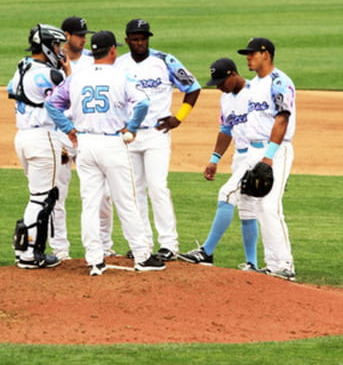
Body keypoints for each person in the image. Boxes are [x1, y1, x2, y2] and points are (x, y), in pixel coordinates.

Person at [46, 31, 166, 276]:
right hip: (112, 144)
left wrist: (68, 128)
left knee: (90, 203)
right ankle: (142, 256)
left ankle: (94, 260)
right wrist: (132, 127)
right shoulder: (121, 75)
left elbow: (52, 104)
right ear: (112, 50)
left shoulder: (77, 77)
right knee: (126, 201)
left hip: (85, 145)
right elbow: (143, 103)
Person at [180, 38, 298, 281]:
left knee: (269, 207)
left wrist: (268, 158)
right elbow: (231, 127)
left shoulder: (279, 81)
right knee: (260, 208)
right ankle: (273, 264)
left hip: (274, 151)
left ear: (266, 55)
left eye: (252, 54)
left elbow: (282, 119)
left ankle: (285, 264)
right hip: (253, 152)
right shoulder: (255, 86)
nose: (248, 58)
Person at [116, 19, 201, 262]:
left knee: (157, 187)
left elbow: (193, 88)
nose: (140, 43)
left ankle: (169, 244)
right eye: (135, 39)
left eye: (143, 38)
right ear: (127, 40)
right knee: (135, 191)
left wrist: (179, 118)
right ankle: (142, 243)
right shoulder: (119, 64)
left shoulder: (165, 60)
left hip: (156, 133)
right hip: (129, 135)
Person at [177, 58, 262, 272]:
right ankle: (252, 264)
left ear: (233, 74)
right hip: (240, 157)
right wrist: (214, 159)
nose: (219, 87)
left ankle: (206, 251)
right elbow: (226, 130)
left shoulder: (254, 93)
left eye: (222, 82)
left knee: (226, 194)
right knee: (247, 210)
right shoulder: (226, 99)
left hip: (256, 155)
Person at [6, 24, 70, 269]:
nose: (60, 50)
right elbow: (70, 97)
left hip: (23, 137)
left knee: (38, 196)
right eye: (56, 45)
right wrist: (68, 72)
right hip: (43, 138)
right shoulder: (49, 74)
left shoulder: (22, 67)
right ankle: (31, 254)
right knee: (43, 198)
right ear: (46, 46)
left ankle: (25, 250)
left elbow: (10, 90)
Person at [55, 16, 117, 260]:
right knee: (57, 194)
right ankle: (60, 250)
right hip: (62, 134)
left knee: (103, 196)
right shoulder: (54, 61)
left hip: (87, 136)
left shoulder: (93, 61)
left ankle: (105, 246)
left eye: (84, 35)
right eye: (79, 35)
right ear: (66, 36)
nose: (83, 39)